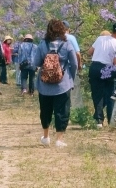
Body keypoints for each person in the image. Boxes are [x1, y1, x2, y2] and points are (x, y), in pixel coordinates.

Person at [33, 19, 78, 148]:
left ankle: (46, 137)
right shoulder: (67, 44)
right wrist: (70, 78)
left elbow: (36, 62)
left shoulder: (42, 44)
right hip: (63, 85)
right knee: (62, 111)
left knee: (45, 110)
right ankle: (59, 139)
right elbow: (74, 64)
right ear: (62, 30)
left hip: (45, 85)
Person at [86, 21, 116, 127]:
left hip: (94, 68)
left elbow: (89, 52)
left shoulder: (100, 38)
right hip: (107, 69)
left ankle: (99, 121)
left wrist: (99, 55)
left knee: (97, 95)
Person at [64, 23, 82, 107]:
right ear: (69, 29)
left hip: (59, 68)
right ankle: (76, 109)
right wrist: (79, 64)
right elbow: (77, 54)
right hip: (71, 67)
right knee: (74, 88)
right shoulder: (71, 38)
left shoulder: (54, 38)